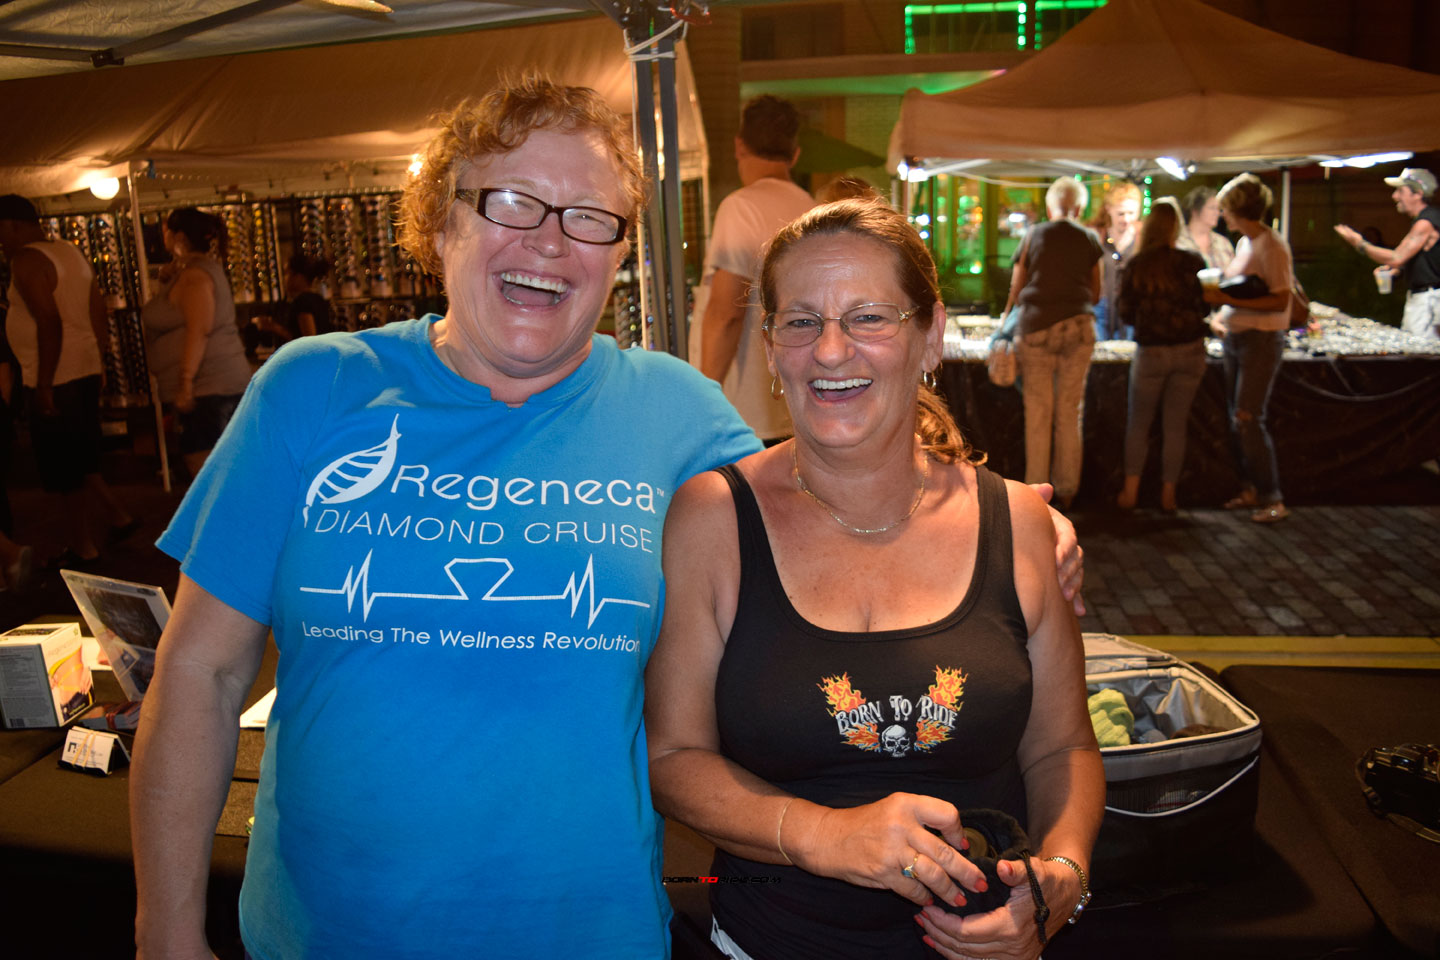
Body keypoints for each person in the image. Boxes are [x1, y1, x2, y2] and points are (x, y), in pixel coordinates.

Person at [129, 77, 764, 960]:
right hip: (326, 937)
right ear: (438, 224)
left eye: (589, 217)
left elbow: (820, 561)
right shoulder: (315, 387)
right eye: (512, 201)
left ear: (619, 252)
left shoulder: (679, 416)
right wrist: (164, 930)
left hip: (584, 935)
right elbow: (200, 672)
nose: (550, 240)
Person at [647, 197, 1104, 960]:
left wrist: (1062, 877)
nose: (831, 351)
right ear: (771, 349)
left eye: (868, 318)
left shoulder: (1020, 524)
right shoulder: (711, 519)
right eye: (801, 322)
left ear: (930, 336)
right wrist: (823, 834)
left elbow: (1063, 749)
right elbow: (672, 758)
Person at [0, 193, 135, 566]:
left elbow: (49, 321)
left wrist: (44, 385)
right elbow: (97, 308)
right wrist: (98, 361)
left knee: (65, 472)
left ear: (12, 225)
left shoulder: (26, 260)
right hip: (82, 369)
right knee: (81, 458)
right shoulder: (69, 252)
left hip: (55, 377)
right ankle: (117, 517)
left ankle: (83, 547)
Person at [698, 94, 815, 444]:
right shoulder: (811, 211)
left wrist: (704, 402)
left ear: (739, 146)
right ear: (795, 153)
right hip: (797, 410)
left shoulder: (740, 207)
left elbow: (727, 314)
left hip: (744, 415)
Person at [1000, 177, 1103, 510]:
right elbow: (1096, 293)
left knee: (1038, 412)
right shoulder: (1089, 238)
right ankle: (1068, 491)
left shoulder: (1033, 235)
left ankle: (1037, 495)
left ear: (1049, 206)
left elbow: (1016, 289)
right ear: (1079, 207)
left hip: (1036, 329)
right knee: (1070, 412)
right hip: (1079, 328)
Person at [1203, 173, 1293, 524]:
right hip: (1238, 337)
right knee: (1238, 418)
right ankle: (1251, 488)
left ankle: (1273, 497)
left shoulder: (1272, 246)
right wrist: (1222, 313)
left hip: (1260, 339)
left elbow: (1281, 300)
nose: (1222, 215)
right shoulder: (1246, 243)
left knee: (1248, 417)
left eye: (1225, 208)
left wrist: (1226, 300)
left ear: (1239, 210)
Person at [141, 207, 253, 475]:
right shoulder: (189, 272)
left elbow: (199, 330)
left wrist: (186, 383)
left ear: (179, 236)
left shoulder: (195, 277)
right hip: (209, 389)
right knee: (214, 469)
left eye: (166, 231)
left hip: (209, 390)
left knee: (206, 468)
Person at [1115, 198, 1210, 512]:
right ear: (1176, 228)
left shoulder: (1137, 265)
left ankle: (1130, 491)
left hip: (1152, 352)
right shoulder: (1192, 262)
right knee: (1176, 425)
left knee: (1138, 424)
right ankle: (1169, 494)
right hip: (1190, 351)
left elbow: (1125, 312)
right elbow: (1206, 306)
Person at [1334, 167, 1440, 339]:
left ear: (1418, 194)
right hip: (1425, 298)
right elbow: (1427, 259)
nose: (1394, 196)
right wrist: (1397, 271)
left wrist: (1359, 243)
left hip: (1430, 299)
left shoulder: (1426, 222)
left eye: (1400, 191)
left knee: (1420, 350)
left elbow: (1396, 257)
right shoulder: (1425, 220)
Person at [1089, 181, 1142, 339]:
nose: (1126, 219)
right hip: (1102, 307)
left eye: (1131, 213)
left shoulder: (1141, 237)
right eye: (1121, 213)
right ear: (1108, 209)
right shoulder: (1098, 236)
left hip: (1132, 307)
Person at [1176, 185, 1235, 272]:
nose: (1217, 213)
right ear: (1195, 210)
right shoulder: (1178, 241)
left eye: (1218, 209)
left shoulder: (1223, 242)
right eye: (1212, 208)